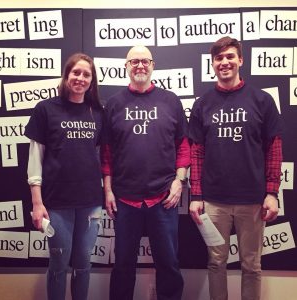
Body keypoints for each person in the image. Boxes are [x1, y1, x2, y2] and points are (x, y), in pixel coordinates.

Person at [189, 36, 283, 300]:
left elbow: (274, 148)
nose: (224, 62)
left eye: (230, 56)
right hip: (214, 202)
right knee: (216, 263)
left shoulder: (262, 100)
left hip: (252, 201)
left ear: (240, 60)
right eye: (219, 58)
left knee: (251, 266)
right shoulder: (203, 104)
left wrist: (272, 192)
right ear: (213, 64)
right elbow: (196, 153)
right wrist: (196, 196)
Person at [102, 45, 190, 300]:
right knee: (122, 267)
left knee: (169, 265)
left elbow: (183, 145)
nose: (140, 65)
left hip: (163, 197)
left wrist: (178, 182)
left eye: (145, 61)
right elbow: (107, 152)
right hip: (124, 199)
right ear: (126, 67)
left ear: (153, 65)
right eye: (134, 61)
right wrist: (107, 190)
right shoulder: (114, 104)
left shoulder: (171, 100)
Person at [25, 53, 104, 300]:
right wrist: (37, 204)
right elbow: (35, 158)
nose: (80, 78)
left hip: (90, 203)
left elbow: (101, 157)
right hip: (56, 203)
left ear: (92, 81)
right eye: (76, 72)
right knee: (59, 265)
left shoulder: (98, 113)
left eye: (86, 74)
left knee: (83, 265)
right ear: (66, 75)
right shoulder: (46, 109)